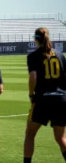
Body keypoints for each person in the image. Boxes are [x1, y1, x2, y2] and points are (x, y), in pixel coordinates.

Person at [24, 28, 66, 163]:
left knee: (30, 134)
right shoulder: (60, 55)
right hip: (61, 100)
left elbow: (32, 77)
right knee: (61, 138)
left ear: (35, 39)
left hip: (42, 100)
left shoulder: (33, 56)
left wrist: (31, 94)